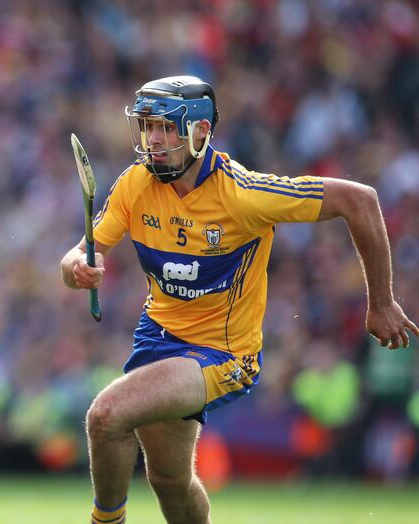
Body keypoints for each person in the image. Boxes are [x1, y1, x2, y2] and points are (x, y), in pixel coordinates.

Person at [60, 75, 418, 524]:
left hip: (222, 353)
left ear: (200, 133)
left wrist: (381, 301)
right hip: (157, 342)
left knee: (106, 415)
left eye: (166, 127)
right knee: (170, 483)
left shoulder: (243, 194)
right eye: (148, 125)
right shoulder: (135, 184)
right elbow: (80, 253)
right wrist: (77, 267)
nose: (152, 138)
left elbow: (359, 200)